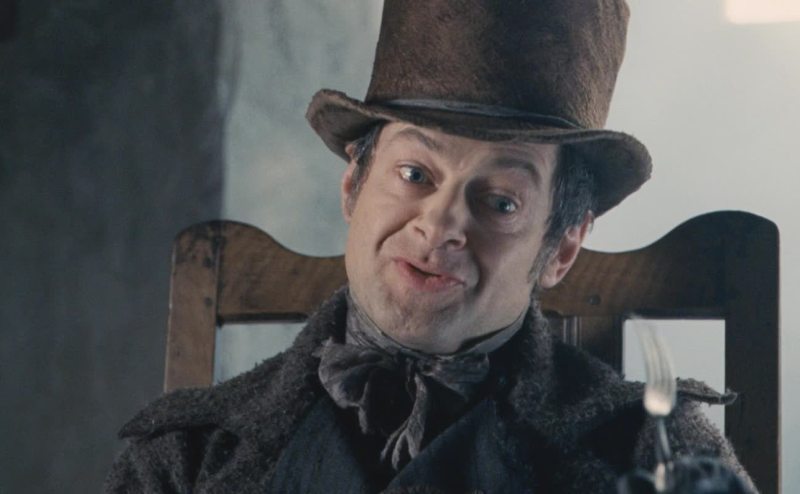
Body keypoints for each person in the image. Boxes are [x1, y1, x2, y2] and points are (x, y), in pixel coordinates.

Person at [105, 1, 756, 492]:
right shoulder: (183, 459)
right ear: (353, 186)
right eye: (414, 174)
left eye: (500, 202)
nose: (441, 224)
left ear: (561, 248)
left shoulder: (662, 459)